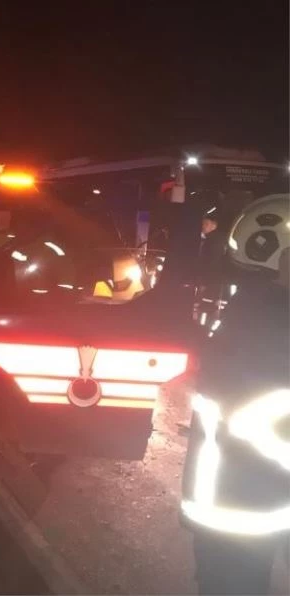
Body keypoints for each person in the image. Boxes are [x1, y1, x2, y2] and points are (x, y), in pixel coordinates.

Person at [180, 194, 290, 594]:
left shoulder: (256, 313)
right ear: (279, 257)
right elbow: (260, 423)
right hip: (243, 509)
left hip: (245, 502)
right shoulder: (269, 328)